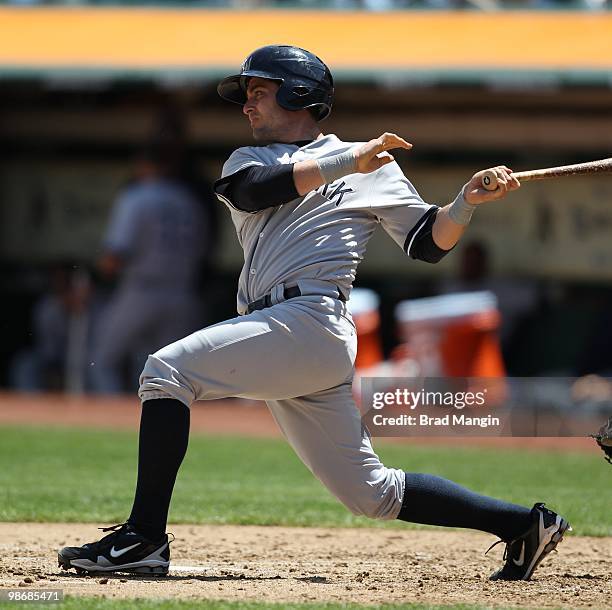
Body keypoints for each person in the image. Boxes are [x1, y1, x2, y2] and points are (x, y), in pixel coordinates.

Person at [58, 45, 570, 581]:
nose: (247, 105)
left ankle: (143, 538)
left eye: (259, 91)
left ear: (298, 93)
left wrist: (465, 202)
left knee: (166, 372)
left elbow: (427, 243)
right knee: (371, 494)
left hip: (311, 320)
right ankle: (524, 524)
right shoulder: (252, 161)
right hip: (283, 332)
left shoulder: (371, 164)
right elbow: (258, 193)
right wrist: (351, 160)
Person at [91, 139, 209, 393]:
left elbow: (114, 255)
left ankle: (109, 420)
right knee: (167, 370)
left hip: (142, 290)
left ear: (143, 165)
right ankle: (160, 425)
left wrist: (96, 280)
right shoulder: (190, 201)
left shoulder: (137, 196)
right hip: (182, 293)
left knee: (102, 361)